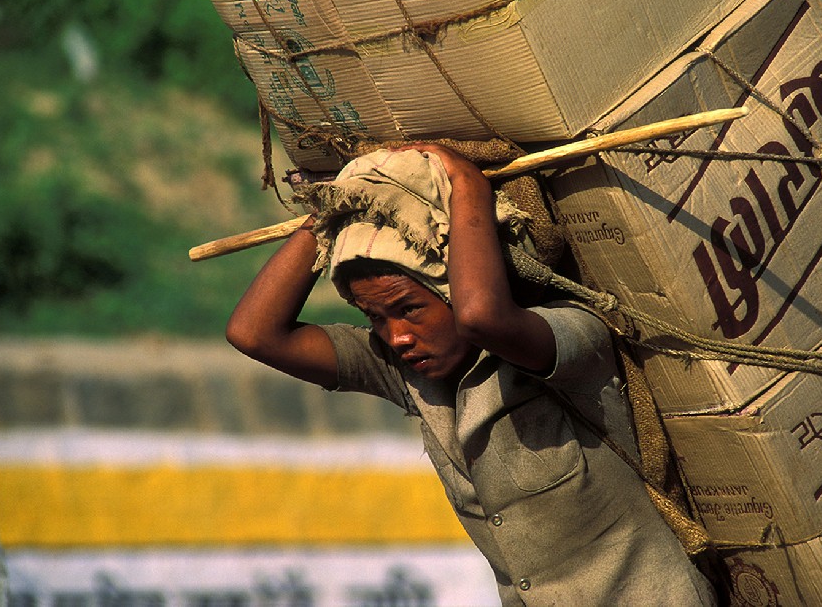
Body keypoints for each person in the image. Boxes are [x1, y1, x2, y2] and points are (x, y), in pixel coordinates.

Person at [226, 144, 716, 605]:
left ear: (450, 288)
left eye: (409, 308)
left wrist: (463, 180)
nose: (396, 336)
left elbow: (482, 316)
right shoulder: (404, 371)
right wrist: (336, 209)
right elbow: (254, 333)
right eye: (375, 317)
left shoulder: (571, 335)